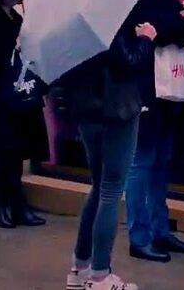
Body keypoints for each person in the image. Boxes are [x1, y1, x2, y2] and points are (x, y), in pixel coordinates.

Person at [53, 15, 157, 290]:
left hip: (86, 111)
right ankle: (100, 275)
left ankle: (80, 267)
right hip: (117, 110)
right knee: (111, 190)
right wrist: (146, 37)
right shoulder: (110, 16)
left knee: (98, 187)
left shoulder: (70, 21)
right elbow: (128, 62)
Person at [126, 0, 184, 262]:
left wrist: (178, 22)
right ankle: (139, 236)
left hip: (169, 93)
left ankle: (160, 229)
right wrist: (177, 21)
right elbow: (160, 29)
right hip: (147, 90)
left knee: (162, 160)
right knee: (142, 161)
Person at [0, 0, 49, 229]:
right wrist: (13, 51)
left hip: (20, 96)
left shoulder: (18, 19)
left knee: (17, 155)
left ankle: (19, 207)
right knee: (1, 157)